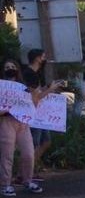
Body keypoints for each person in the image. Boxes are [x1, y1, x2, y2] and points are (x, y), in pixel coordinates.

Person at [1, 58, 42, 197]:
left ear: (17, 69)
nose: (10, 68)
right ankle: (6, 184)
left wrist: (37, 95)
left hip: (23, 124)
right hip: (6, 122)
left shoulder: (23, 87)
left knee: (29, 153)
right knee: (7, 155)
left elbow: (33, 105)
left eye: (12, 66)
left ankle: (27, 180)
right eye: (7, 67)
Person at [22, 49, 58, 177]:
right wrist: (50, 89)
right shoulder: (29, 74)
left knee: (45, 141)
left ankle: (30, 169)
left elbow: (38, 91)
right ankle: (25, 173)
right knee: (35, 143)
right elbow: (36, 97)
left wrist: (48, 88)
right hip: (33, 113)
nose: (44, 59)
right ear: (37, 58)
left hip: (41, 112)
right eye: (43, 57)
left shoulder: (37, 73)